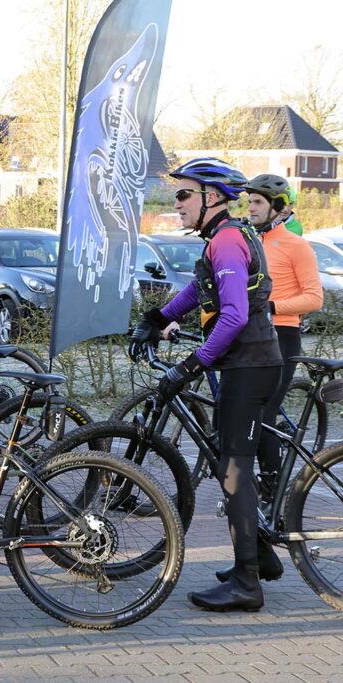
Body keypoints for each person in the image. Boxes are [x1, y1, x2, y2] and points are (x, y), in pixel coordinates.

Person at [130, 158, 282, 612]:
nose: (175, 203)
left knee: (235, 472)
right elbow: (200, 291)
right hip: (245, 363)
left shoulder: (230, 240)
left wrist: (191, 365)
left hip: (249, 365)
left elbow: (234, 314)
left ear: (210, 198)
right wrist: (156, 319)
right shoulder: (222, 238)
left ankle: (246, 584)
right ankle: (259, 556)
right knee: (224, 462)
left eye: (183, 195)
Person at [244, 174, 322, 513]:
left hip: (282, 336)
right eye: (248, 202)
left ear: (277, 207)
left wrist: (274, 306)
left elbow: (314, 298)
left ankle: (272, 489)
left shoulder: (295, 244)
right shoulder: (248, 241)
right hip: (250, 335)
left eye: (258, 202)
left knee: (264, 415)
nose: (251, 208)